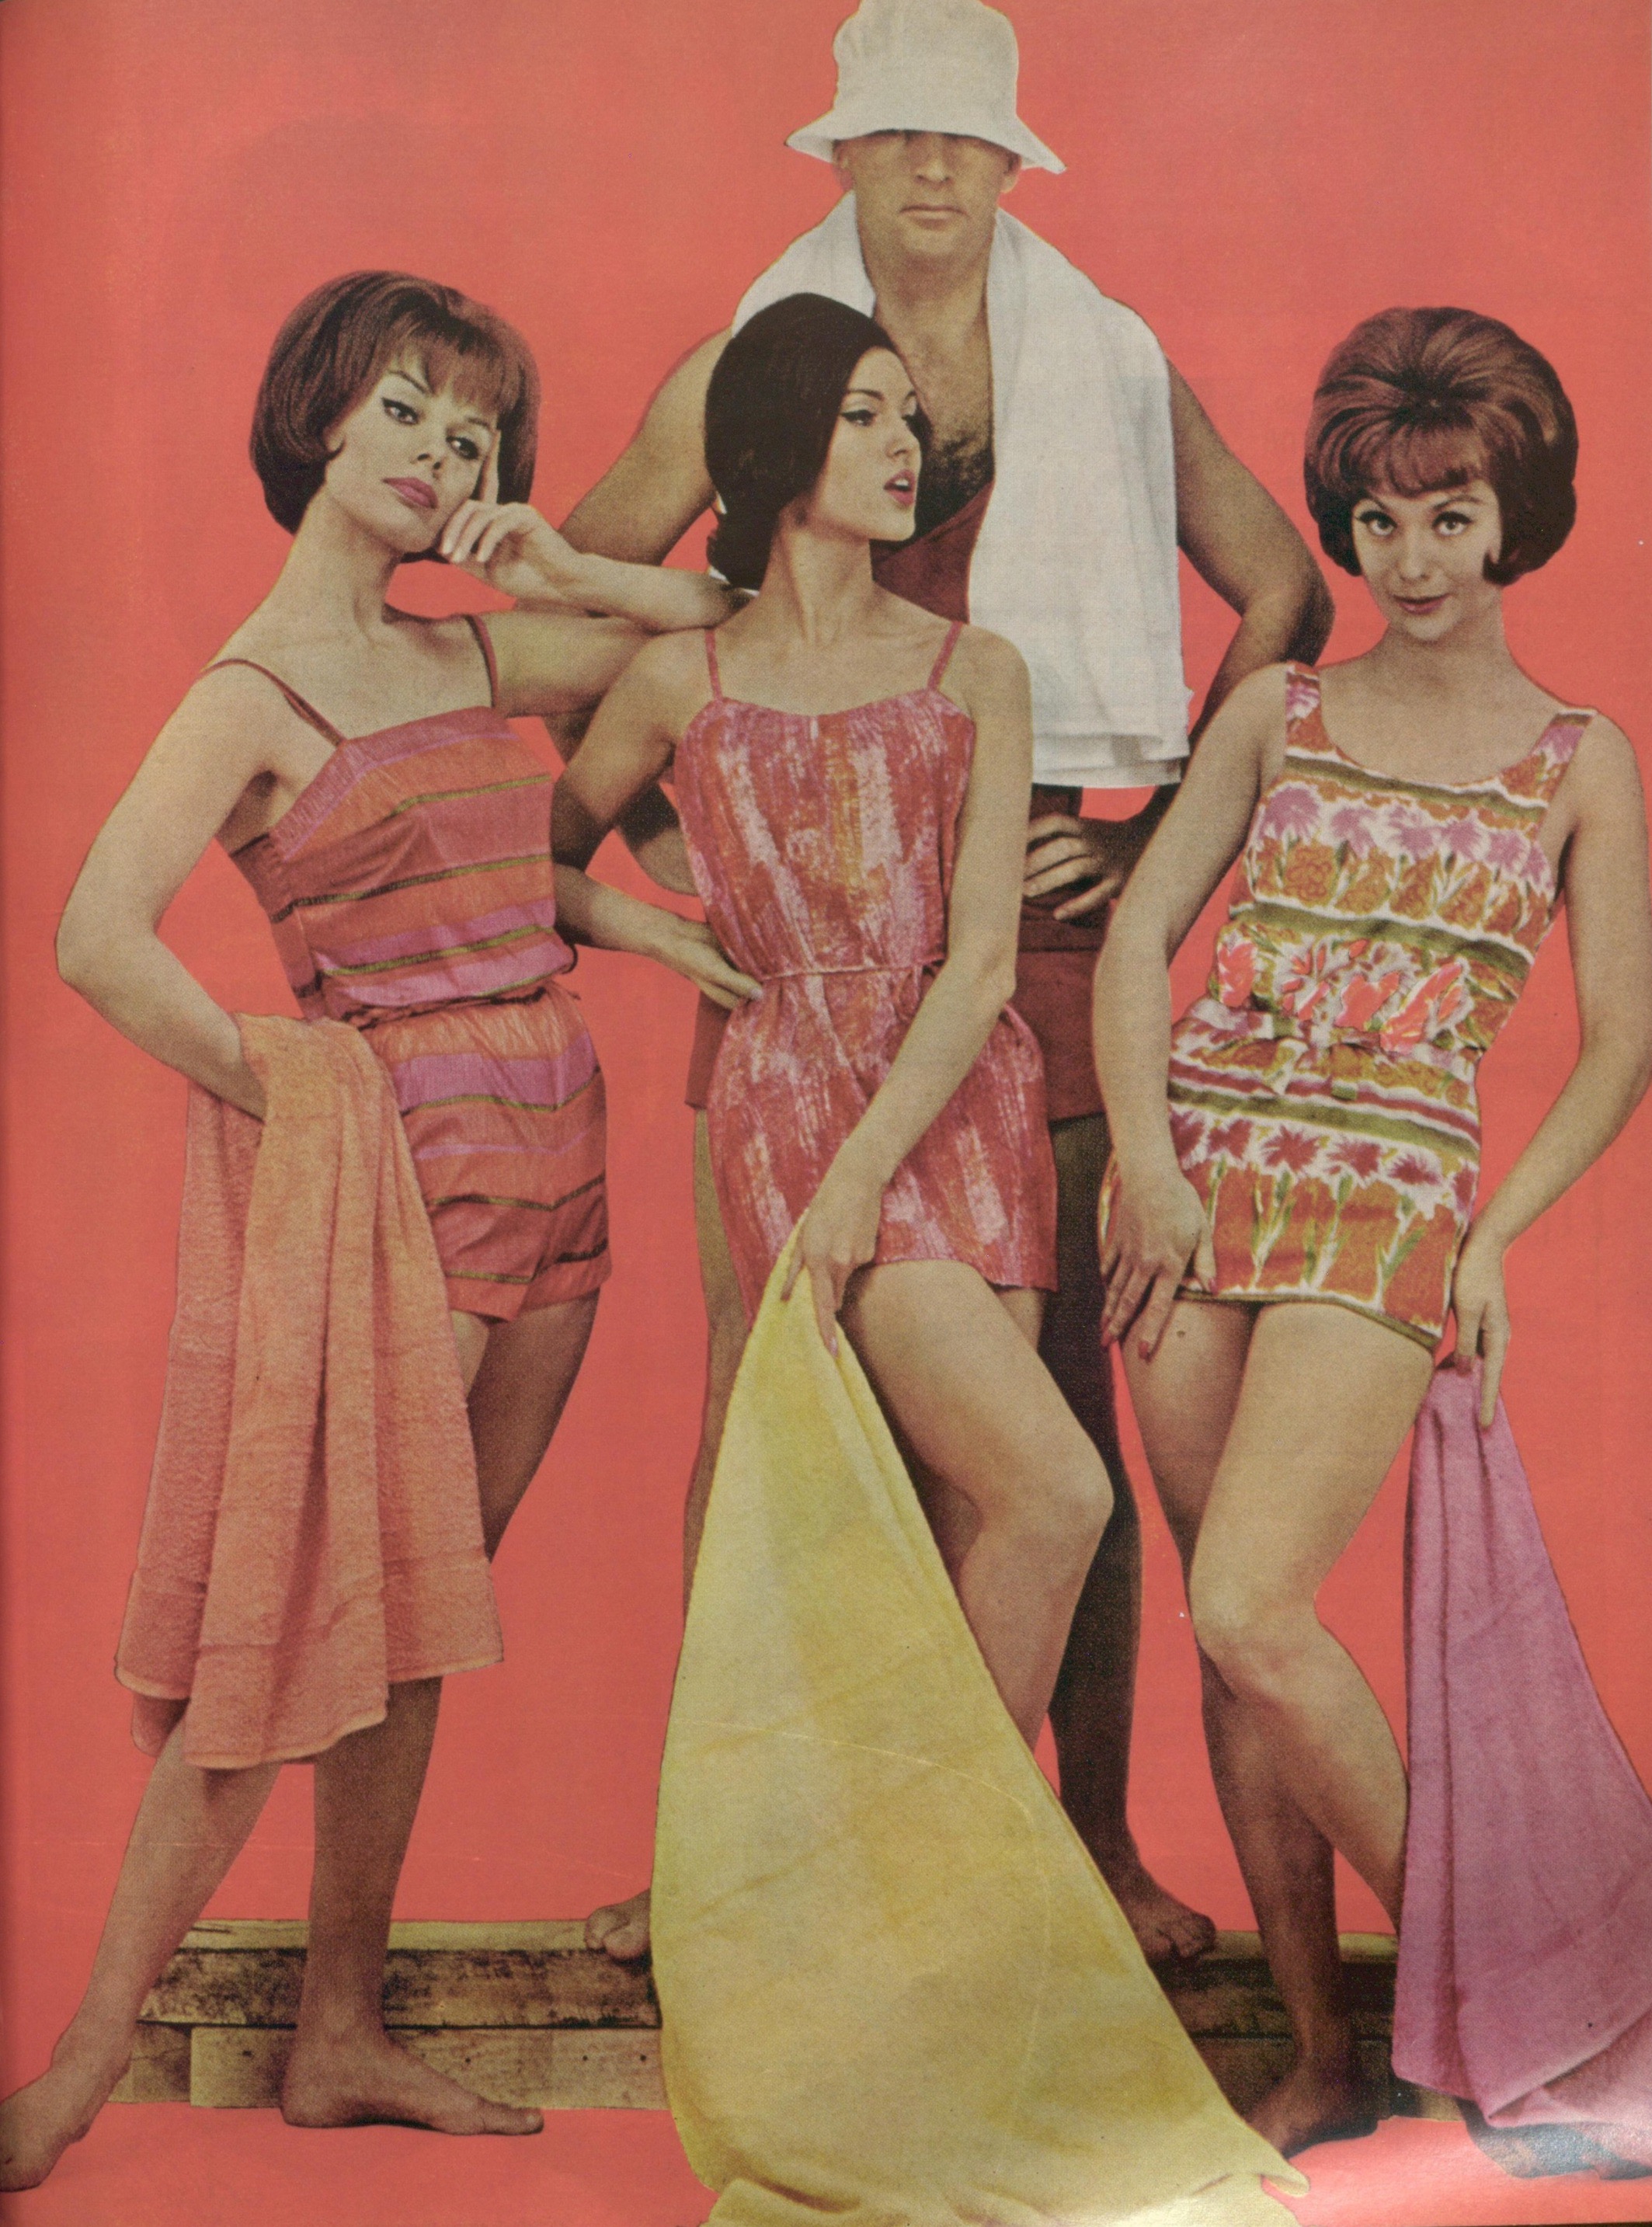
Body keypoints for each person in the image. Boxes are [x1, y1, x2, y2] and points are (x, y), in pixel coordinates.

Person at [564, 0, 1334, 1968]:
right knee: (765, 1411)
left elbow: (1284, 587)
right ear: (836, 154)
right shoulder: (749, 365)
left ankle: (1080, 1848)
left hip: (1027, 940)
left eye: (965, 137)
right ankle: (718, 1856)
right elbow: (581, 604)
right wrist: (679, 870)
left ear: (1008, 161)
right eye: (893, 132)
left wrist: (1154, 846)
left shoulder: (1105, 357)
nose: (930, 167)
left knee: (1052, 1422)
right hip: (800, 963)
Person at [0, 270, 741, 2194]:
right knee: (302, 1626)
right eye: (405, 410)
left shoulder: (468, 652)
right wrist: (297, 1084)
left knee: (417, 1618)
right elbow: (93, 935)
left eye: (473, 434)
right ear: (319, 415)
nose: (437, 453)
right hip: (408, 1180)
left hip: (561, 1151)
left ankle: (339, 2028)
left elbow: (726, 624)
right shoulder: (250, 694)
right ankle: (78, 2065)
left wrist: (563, 559)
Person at [1091, 304, 1652, 2158]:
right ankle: (1328, 2055)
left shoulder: (1576, 759)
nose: (1410, 560)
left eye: (1449, 517)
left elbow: (1623, 1038)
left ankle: (1510, 2010)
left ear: (1511, 521)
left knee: (1250, 1603)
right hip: (1199, 1175)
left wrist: (1491, 1238)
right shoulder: (1280, 711)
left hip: (1390, 1189)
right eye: (1379, 521)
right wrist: (1148, 1165)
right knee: (1227, 1636)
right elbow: (1136, 933)